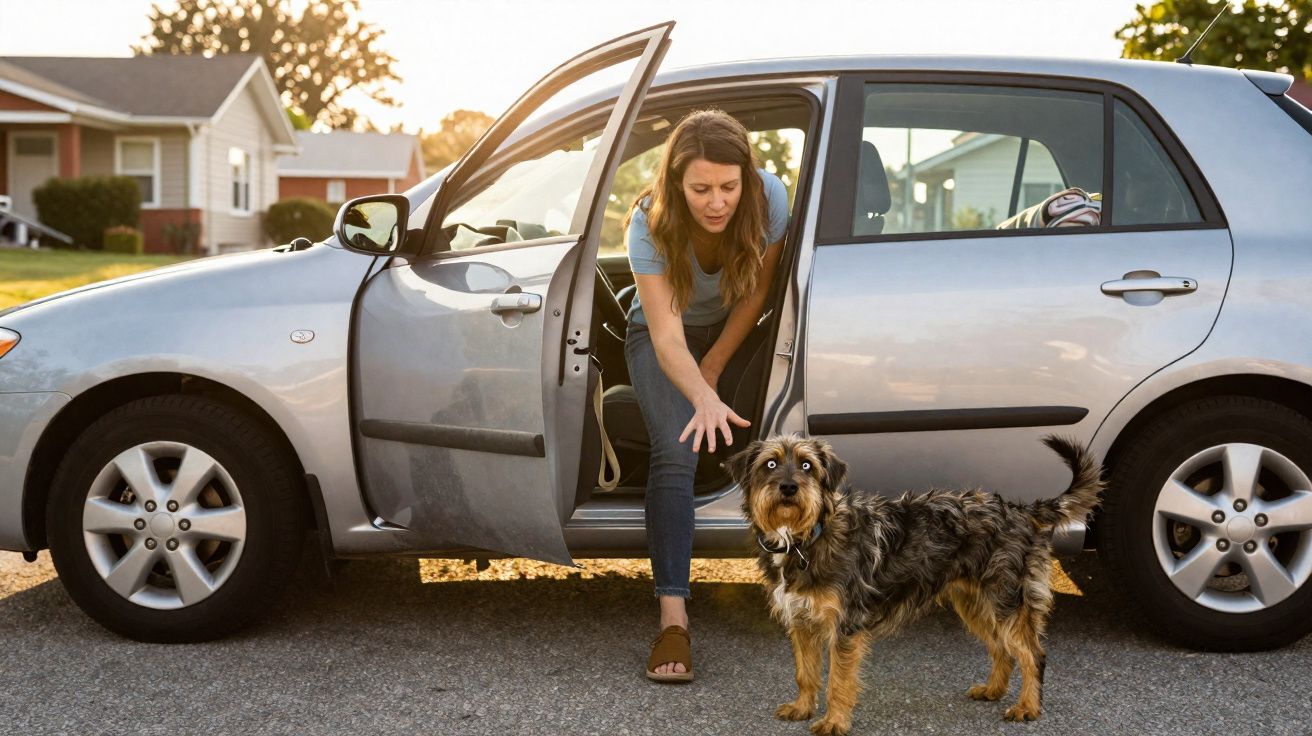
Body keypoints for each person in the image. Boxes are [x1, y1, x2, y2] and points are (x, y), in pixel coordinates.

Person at [622, 108, 789, 682]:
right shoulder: (648, 222)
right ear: (676, 184)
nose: (716, 202)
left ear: (748, 178)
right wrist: (699, 393)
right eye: (700, 189)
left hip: (729, 331)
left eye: (727, 187)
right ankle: (674, 620)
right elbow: (667, 337)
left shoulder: (770, 199)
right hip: (660, 334)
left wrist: (713, 371)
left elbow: (757, 294)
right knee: (677, 448)